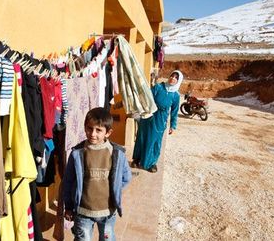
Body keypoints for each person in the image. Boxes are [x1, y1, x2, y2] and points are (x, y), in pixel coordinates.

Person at [63, 107, 132, 241]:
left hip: (107, 212)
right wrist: (69, 207)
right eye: (89, 128)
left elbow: (126, 177)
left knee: (107, 238)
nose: (93, 134)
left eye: (98, 130)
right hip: (83, 212)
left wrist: (114, 189)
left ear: (108, 132)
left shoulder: (116, 153)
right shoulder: (77, 153)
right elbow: (68, 181)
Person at [132, 70, 184, 173]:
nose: (173, 78)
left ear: (178, 81)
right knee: (142, 137)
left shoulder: (176, 96)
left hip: (160, 119)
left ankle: (151, 163)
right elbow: (147, 98)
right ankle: (137, 159)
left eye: (176, 78)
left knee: (155, 141)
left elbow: (174, 111)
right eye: (172, 76)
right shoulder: (158, 87)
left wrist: (172, 125)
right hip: (149, 115)